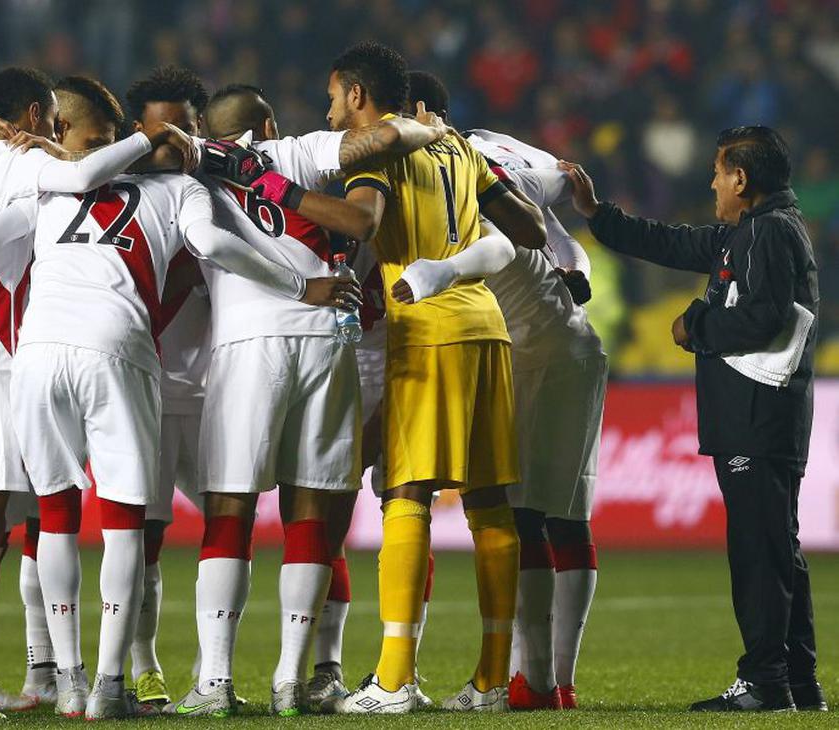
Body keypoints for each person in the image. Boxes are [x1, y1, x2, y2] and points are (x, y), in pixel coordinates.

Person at [0, 68, 183, 720]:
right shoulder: (41, 173)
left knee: (8, 516)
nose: (81, 146)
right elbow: (73, 180)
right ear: (48, 123)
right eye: (83, 134)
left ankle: (50, 674)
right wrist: (145, 138)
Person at [167, 81, 444, 718]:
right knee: (312, 514)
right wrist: (430, 129)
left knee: (230, 511)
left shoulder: (189, 175)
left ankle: (215, 682)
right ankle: (294, 680)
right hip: (329, 342)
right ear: (266, 123)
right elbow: (384, 137)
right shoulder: (299, 150)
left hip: (248, 345)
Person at [563, 125, 826, 713]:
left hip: (757, 418)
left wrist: (693, 327)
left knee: (760, 552)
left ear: (741, 178)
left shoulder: (767, 234)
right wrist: (597, 215)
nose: (711, 182)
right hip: (762, 418)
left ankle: (764, 680)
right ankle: (795, 682)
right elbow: (673, 244)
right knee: (777, 549)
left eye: (717, 171)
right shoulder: (755, 231)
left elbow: (762, 319)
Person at [320, 42, 545, 714]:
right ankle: (491, 680)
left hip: (429, 327)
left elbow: (363, 221)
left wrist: (281, 191)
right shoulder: (463, 151)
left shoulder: (381, 150)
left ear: (362, 96)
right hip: (488, 324)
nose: (331, 112)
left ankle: (393, 680)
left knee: (406, 489)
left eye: (334, 97)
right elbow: (528, 230)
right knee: (489, 501)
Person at [404, 70, 607, 712]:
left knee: (521, 517)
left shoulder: (446, 171)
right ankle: (556, 684)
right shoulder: (502, 147)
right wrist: (576, 265)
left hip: (532, 352)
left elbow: (494, 246)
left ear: (416, 113)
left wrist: (441, 271)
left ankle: (534, 683)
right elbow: (565, 187)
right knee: (567, 518)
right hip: (578, 343)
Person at [123, 64, 212, 711]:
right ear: (136, 133)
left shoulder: (227, 193)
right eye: (161, 130)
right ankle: (145, 666)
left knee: (237, 529)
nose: (173, 142)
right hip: (145, 396)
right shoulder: (112, 197)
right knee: (144, 541)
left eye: (185, 126)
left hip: (217, 399)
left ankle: (218, 673)